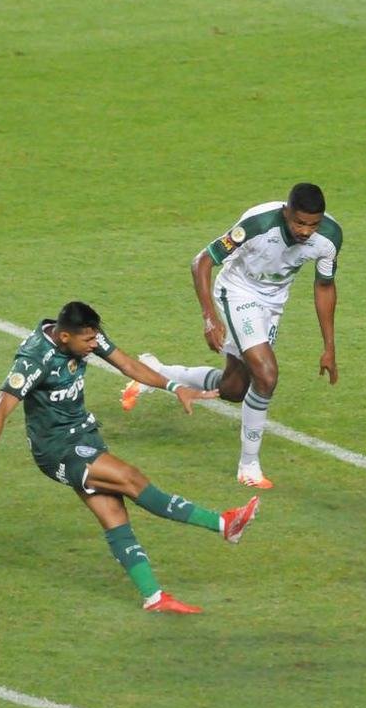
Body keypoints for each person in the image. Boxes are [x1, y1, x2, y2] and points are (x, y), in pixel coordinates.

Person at [0, 300, 260, 614]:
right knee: (131, 479)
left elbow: (128, 365)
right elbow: (1, 407)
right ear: (65, 338)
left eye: (95, 338)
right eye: (88, 341)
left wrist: (174, 386)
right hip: (57, 449)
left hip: (84, 435)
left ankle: (154, 597)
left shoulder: (84, 337)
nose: (94, 344)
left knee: (114, 515)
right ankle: (224, 524)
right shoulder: (35, 359)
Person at [120, 182, 342, 490]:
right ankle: (248, 465)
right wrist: (209, 317)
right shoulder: (257, 225)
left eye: (312, 225)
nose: (305, 231)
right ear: (286, 212)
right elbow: (202, 261)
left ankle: (153, 371)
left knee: (235, 388)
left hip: (273, 303)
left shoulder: (329, 239)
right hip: (238, 292)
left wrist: (329, 347)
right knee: (266, 375)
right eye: (299, 223)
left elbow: (324, 287)